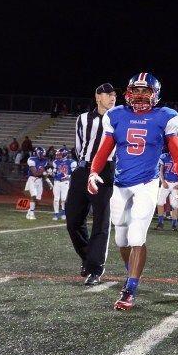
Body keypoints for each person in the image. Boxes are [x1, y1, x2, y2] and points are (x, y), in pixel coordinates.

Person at [87, 72, 178, 311]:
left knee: (136, 237)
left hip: (147, 183)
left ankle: (130, 289)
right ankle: (132, 274)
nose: (141, 95)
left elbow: (176, 154)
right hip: (121, 184)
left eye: (146, 91)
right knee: (120, 238)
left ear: (155, 94)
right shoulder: (116, 116)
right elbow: (104, 150)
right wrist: (94, 172)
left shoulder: (164, 117)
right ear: (129, 92)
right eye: (137, 90)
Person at [65, 83, 118, 286]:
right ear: (98, 97)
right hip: (83, 169)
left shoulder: (118, 118)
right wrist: (84, 168)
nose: (113, 97)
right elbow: (80, 146)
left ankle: (95, 268)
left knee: (101, 221)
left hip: (106, 170)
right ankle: (88, 258)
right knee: (73, 220)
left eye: (114, 95)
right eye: (108, 94)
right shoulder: (83, 119)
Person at [155, 150, 178, 230]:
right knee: (159, 202)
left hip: (176, 183)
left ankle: (174, 224)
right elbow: (160, 171)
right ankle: (160, 223)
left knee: (174, 205)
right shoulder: (164, 157)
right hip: (166, 182)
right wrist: (163, 181)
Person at [51, 148, 76, 220]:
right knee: (56, 199)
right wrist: (51, 173)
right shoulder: (55, 162)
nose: (58, 156)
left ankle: (63, 212)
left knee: (64, 198)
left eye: (60, 154)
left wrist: (68, 176)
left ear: (64, 154)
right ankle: (56, 213)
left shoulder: (72, 162)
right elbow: (55, 172)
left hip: (65, 182)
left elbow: (74, 173)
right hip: (56, 182)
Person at [24, 148, 49, 219]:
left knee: (38, 199)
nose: (44, 156)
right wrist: (44, 171)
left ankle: (29, 210)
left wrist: (48, 174)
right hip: (32, 179)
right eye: (43, 154)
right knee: (33, 195)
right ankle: (32, 212)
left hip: (39, 180)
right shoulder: (31, 159)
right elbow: (35, 173)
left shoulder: (45, 161)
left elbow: (44, 174)